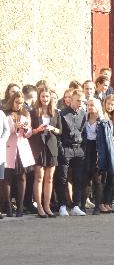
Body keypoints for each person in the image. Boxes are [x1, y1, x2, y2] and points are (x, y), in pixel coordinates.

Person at [29, 87, 60, 217]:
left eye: (47, 97)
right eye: (43, 96)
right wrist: (38, 129)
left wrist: (53, 128)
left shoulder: (55, 112)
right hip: (38, 147)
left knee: (49, 178)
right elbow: (30, 131)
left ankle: (47, 205)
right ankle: (39, 206)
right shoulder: (34, 112)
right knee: (39, 177)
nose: (45, 99)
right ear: (39, 97)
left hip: (51, 147)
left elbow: (60, 131)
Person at [2, 93, 34, 217]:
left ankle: (20, 208)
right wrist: (13, 127)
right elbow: (3, 131)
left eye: (21, 103)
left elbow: (29, 133)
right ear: (12, 101)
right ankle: (9, 208)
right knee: (7, 179)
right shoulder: (5, 114)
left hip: (22, 149)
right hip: (9, 149)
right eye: (17, 102)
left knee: (22, 177)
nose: (19, 105)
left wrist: (26, 129)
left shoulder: (25, 113)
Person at [57, 89, 87, 216]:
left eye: (82, 100)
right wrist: (62, 150)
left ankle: (76, 205)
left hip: (79, 149)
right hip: (66, 148)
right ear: (71, 100)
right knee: (62, 178)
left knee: (78, 178)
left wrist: (83, 149)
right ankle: (62, 205)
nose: (80, 103)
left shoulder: (83, 114)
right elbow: (59, 134)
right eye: (78, 100)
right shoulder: (62, 114)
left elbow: (84, 132)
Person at [96, 94, 114, 213]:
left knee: (112, 177)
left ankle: (108, 202)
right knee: (103, 178)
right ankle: (100, 203)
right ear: (104, 104)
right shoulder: (101, 118)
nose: (110, 106)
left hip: (113, 151)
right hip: (103, 152)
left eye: (112, 104)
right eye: (108, 104)